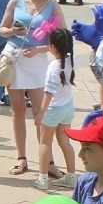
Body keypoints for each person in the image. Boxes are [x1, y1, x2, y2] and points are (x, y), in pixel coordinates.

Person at [0, 0, 61, 177]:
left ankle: (48, 161)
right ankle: (21, 158)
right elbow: (2, 30)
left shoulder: (53, 5)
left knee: (40, 112)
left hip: (37, 61)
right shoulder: (16, 0)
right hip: (15, 57)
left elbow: (62, 38)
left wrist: (39, 49)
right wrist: (13, 30)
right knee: (17, 111)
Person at [33, 27, 80, 192]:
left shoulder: (54, 66)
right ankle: (72, 176)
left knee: (45, 142)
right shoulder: (70, 62)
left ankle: (42, 178)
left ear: (52, 46)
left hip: (53, 109)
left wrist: (41, 112)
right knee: (64, 142)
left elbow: (48, 92)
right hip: (68, 107)